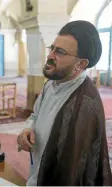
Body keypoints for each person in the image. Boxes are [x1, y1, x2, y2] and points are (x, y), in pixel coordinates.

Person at [16, 20, 112, 186]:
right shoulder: (51, 84)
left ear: (81, 64)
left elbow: (72, 171)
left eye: (59, 52)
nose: (50, 55)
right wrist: (27, 129)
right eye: (52, 48)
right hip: (38, 172)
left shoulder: (85, 104)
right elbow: (36, 115)